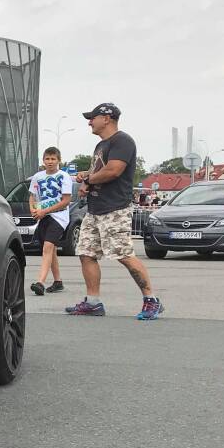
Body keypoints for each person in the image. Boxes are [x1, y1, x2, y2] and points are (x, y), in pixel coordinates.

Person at [65, 103, 163, 320]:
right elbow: (98, 171)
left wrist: (89, 178)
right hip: (95, 209)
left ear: (106, 118)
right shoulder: (101, 146)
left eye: (93, 118)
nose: (90, 122)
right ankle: (93, 303)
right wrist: (86, 177)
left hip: (115, 209)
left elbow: (113, 171)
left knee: (124, 255)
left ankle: (151, 300)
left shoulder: (122, 141)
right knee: (86, 253)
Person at [28, 146, 72, 295]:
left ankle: (40, 282)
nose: (50, 161)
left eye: (53, 159)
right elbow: (32, 196)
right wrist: (33, 209)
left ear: (59, 160)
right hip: (43, 217)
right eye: (47, 158)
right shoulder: (37, 176)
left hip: (59, 217)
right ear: (43, 160)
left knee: (47, 247)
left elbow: (66, 200)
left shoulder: (64, 176)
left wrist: (44, 211)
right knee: (51, 250)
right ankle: (58, 282)